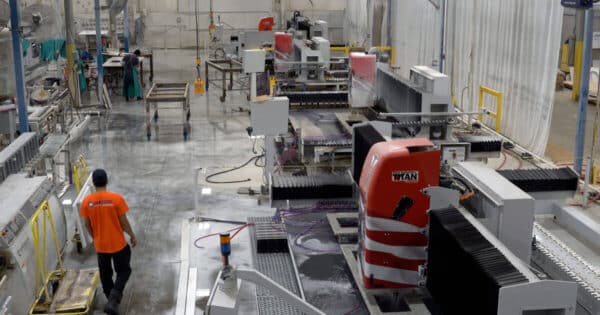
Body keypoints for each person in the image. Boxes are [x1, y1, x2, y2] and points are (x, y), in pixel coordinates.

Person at [80, 169, 137, 315]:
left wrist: (95, 237)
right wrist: (131, 235)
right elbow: (123, 222)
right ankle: (113, 300)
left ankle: (111, 302)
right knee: (124, 271)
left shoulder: (87, 202)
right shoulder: (116, 199)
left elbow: (87, 224)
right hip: (118, 244)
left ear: (93, 183)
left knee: (105, 276)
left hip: (101, 246)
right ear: (107, 181)